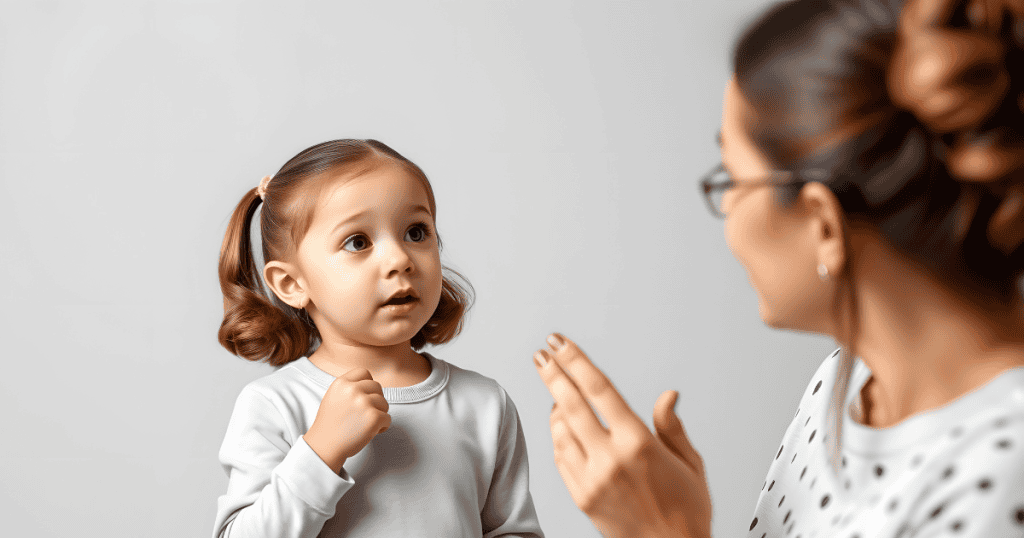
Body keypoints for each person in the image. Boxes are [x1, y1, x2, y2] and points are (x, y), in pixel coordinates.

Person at [532, 0, 1024, 536]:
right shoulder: (848, 379)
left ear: (823, 225)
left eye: (732, 180)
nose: (728, 221)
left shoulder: (1002, 476)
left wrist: (661, 531)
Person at [211, 139, 544, 537]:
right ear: (292, 283)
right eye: (358, 242)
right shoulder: (273, 405)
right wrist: (321, 450)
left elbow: (514, 531)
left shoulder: (486, 404)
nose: (400, 259)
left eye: (416, 232)